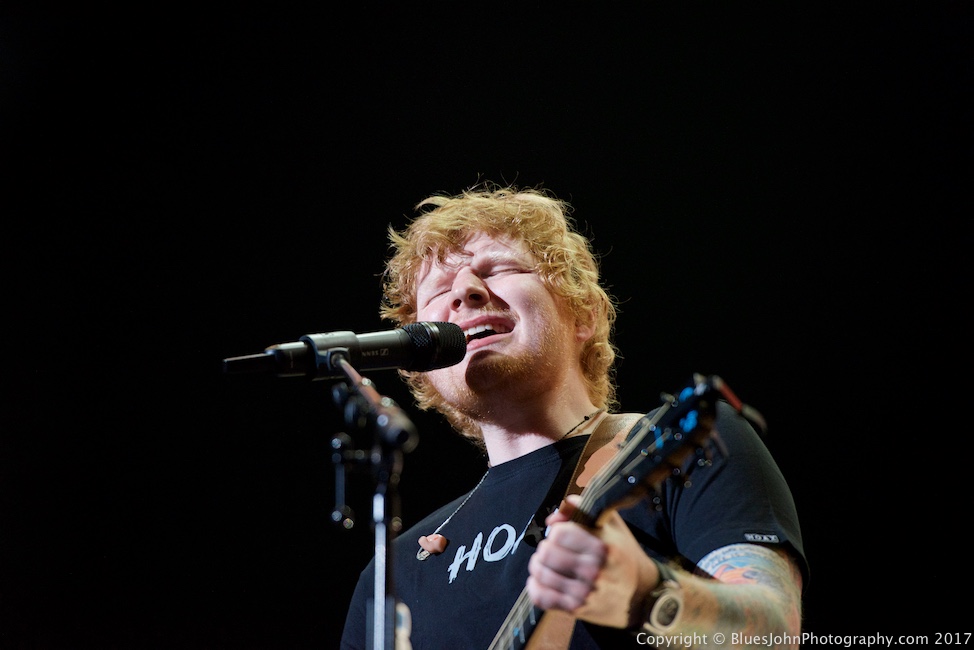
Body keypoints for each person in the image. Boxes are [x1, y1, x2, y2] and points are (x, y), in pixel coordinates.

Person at [340, 184, 808, 649]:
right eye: (439, 290)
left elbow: (774, 633)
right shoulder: (391, 573)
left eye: (497, 268)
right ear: (423, 365)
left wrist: (648, 595)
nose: (463, 292)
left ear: (582, 312)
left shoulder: (684, 442)